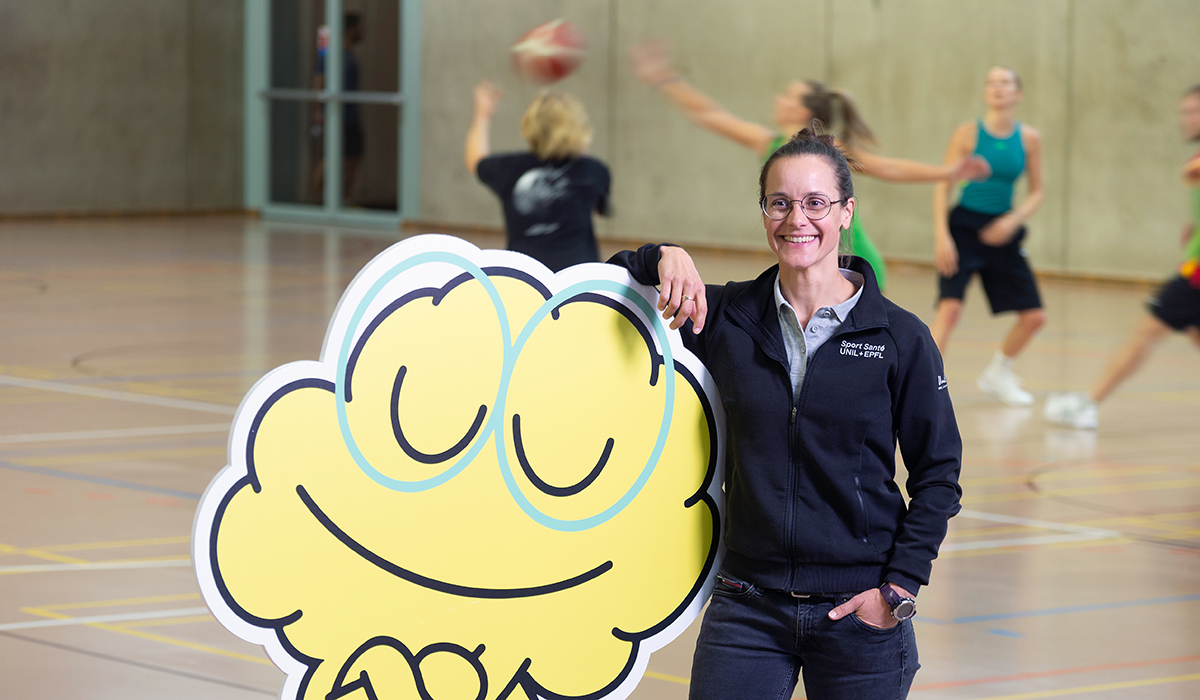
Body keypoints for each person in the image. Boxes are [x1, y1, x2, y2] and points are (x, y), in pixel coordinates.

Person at [609, 128, 962, 700]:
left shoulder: (900, 337)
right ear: (764, 211)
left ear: (846, 212)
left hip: (860, 612)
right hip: (747, 605)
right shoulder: (723, 317)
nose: (797, 219)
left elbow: (939, 474)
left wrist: (897, 589)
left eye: (816, 203)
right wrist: (661, 256)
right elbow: (601, 294)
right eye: (780, 202)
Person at [627, 38, 989, 292]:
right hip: (807, 254)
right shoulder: (771, 144)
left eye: (787, 96)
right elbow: (709, 115)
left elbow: (889, 168)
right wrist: (664, 79)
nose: (778, 100)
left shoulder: (828, 150)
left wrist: (949, 173)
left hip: (853, 260)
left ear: (801, 111)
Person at [1045, 85, 1200, 429]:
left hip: (1196, 276)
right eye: (1185, 112)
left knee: (1146, 331)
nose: (1186, 119)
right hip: (1193, 266)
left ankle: (1088, 405)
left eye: (1194, 112)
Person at [930, 67, 1047, 406]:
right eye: (991, 83)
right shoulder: (967, 134)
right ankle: (925, 384)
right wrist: (941, 235)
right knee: (950, 309)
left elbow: (1038, 191)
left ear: (1017, 93)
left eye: (1005, 83)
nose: (997, 87)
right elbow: (943, 184)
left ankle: (998, 373)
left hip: (1003, 230)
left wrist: (1014, 219)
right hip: (963, 228)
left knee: (1035, 317)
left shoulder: (1029, 138)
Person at [464, 81, 611, 272]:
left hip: (523, 276)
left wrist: (482, 114)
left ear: (529, 127)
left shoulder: (510, 168)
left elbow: (475, 160)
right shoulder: (594, 170)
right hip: (578, 277)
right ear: (579, 128)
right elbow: (596, 209)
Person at [309, 13, 365, 205]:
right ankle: (315, 200)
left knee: (353, 157)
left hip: (351, 115)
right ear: (350, 29)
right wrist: (318, 110)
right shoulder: (331, 53)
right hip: (335, 114)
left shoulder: (350, 54)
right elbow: (319, 80)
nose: (361, 31)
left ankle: (344, 201)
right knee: (329, 157)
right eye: (358, 26)